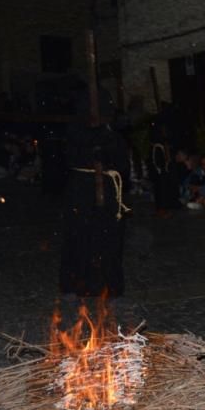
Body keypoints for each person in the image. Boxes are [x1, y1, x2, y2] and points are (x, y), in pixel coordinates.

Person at [59, 86, 130, 298]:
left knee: (103, 238)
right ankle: (85, 281)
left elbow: (121, 163)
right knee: (84, 236)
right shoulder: (78, 134)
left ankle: (103, 282)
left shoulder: (108, 135)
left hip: (103, 192)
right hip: (82, 193)